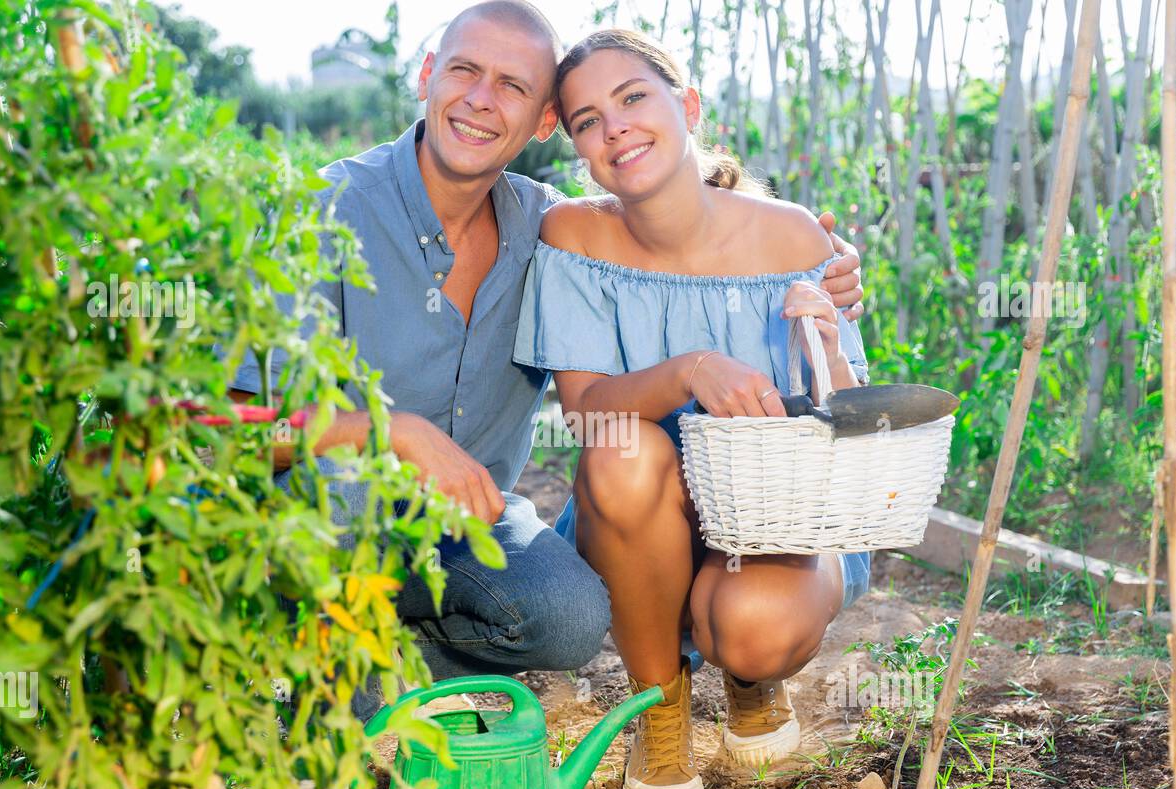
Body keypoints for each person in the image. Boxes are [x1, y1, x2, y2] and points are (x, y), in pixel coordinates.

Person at [228, 2, 868, 722]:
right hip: (329, 525)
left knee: (568, 615)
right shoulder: (324, 211)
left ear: (538, 123)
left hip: (482, 534)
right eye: (464, 70)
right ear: (428, 77)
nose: (479, 99)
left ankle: (379, 674)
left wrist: (829, 277)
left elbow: (668, 230)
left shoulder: (548, 227)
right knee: (352, 500)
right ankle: (296, 671)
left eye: (512, 85)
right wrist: (393, 432)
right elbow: (230, 433)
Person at [514, 28, 873, 789]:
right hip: (641, 523)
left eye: (634, 98)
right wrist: (688, 369)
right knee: (620, 452)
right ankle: (660, 713)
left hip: (777, 521)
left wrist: (826, 315)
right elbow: (584, 411)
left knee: (750, 628)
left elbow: (848, 408)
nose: (615, 129)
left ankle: (753, 682)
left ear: (687, 106)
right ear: (575, 144)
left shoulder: (795, 236)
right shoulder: (576, 235)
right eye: (586, 120)